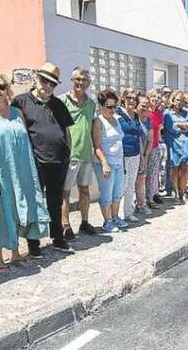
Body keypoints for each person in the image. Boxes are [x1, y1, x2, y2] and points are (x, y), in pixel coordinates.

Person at [0, 72, 50, 271]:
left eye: (1, 86)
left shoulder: (17, 113)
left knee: (17, 209)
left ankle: (15, 253)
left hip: (21, 171)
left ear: (7, 88)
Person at [11, 62, 74, 254]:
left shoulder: (58, 104)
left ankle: (57, 237)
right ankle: (33, 242)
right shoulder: (21, 101)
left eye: (52, 84)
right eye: (44, 81)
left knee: (55, 201)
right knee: (34, 201)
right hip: (35, 162)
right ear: (36, 78)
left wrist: (67, 154)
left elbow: (67, 132)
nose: (47, 86)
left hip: (59, 161)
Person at [59, 68, 97, 238]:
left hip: (86, 154)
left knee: (85, 191)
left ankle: (84, 222)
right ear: (72, 80)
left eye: (84, 80)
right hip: (69, 155)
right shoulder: (62, 101)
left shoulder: (91, 104)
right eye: (77, 79)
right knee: (65, 193)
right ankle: (65, 225)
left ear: (89, 83)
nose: (80, 82)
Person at [91, 89, 126, 232]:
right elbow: (97, 146)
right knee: (106, 195)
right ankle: (107, 221)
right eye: (109, 106)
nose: (112, 109)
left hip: (118, 162)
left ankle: (115, 217)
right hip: (105, 164)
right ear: (101, 106)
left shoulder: (116, 120)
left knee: (117, 193)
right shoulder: (98, 121)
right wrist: (104, 163)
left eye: (114, 106)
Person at [116, 88, 144, 223]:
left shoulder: (136, 115)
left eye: (134, 98)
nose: (132, 100)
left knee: (131, 184)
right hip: (123, 154)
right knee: (123, 184)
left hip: (135, 153)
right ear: (123, 99)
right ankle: (119, 214)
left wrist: (142, 157)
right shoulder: (118, 114)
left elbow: (139, 136)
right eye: (129, 97)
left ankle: (128, 212)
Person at [163, 91, 188, 204]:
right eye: (177, 100)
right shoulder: (167, 113)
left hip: (186, 144)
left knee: (185, 170)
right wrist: (181, 126)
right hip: (173, 145)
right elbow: (171, 128)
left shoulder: (186, 113)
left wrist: (179, 125)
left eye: (181, 101)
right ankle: (176, 194)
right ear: (172, 100)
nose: (179, 102)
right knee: (175, 170)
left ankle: (183, 193)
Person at [135, 94, 154, 216]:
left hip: (143, 155)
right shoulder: (132, 118)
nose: (146, 109)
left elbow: (150, 140)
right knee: (129, 181)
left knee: (141, 179)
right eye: (143, 106)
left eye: (147, 106)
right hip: (130, 154)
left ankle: (141, 204)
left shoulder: (148, 121)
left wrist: (146, 154)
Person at [145, 89, 164, 209]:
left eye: (157, 97)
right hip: (146, 146)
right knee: (145, 175)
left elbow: (160, 130)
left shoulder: (159, 113)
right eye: (153, 97)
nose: (155, 99)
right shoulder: (145, 112)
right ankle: (145, 199)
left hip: (156, 146)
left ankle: (150, 198)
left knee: (153, 174)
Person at [160, 86, 174, 198]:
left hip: (168, 139)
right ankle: (159, 188)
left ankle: (169, 188)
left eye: (169, 93)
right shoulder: (158, 108)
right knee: (160, 166)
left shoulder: (171, 110)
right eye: (165, 93)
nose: (167, 95)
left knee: (169, 165)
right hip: (158, 141)